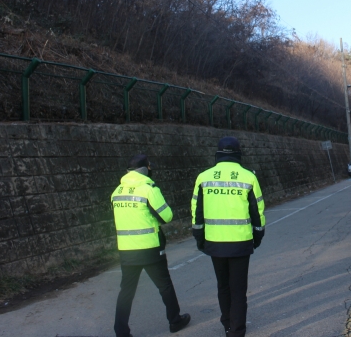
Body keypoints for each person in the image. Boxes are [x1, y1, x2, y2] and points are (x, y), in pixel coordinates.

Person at [191, 136, 266, 337]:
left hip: (215, 243)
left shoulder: (203, 177)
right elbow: (257, 211)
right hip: (241, 242)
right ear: (238, 153)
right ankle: (237, 330)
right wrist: (258, 236)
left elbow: (196, 211)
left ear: (218, 153)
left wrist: (199, 237)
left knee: (223, 286)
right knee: (238, 289)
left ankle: (226, 324)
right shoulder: (248, 177)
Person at [111, 154, 190, 337]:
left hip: (126, 249)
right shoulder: (149, 189)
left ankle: (121, 331)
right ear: (145, 169)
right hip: (150, 248)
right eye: (149, 167)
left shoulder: (117, 191)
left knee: (127, 291)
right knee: (164, 285)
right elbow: (166, 216)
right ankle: (175, 321)